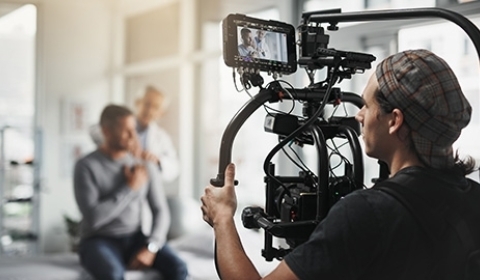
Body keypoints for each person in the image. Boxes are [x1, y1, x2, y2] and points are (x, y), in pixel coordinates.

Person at [200, 49, 480, 279]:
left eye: (367, 106)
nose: (359, 116)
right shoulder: (474, 198)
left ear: (394, 121)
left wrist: (222, 218)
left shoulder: (367, 214)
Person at [74, 105, 188, 280]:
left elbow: (160, 210)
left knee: (179, 268)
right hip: (98, 240)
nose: (133, 136)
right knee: (113, 275)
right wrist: (129, 188)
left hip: (135, 238)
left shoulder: (144, 164)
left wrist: (151, 247)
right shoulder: (85, 166)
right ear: (107, 132)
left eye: (134, 130)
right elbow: (93, 219)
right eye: (126, 131)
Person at [89, 86, 179, 184]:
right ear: (137, 102)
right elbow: (95, 130)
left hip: (144, 185)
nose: (150, 110)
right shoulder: (121, 121)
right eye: (147, 104)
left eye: (156, 107)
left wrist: (158, 161)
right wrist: (120, 141)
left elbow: (175, 169)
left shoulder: (162, 137)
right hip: (114, 180)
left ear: (161, 113)